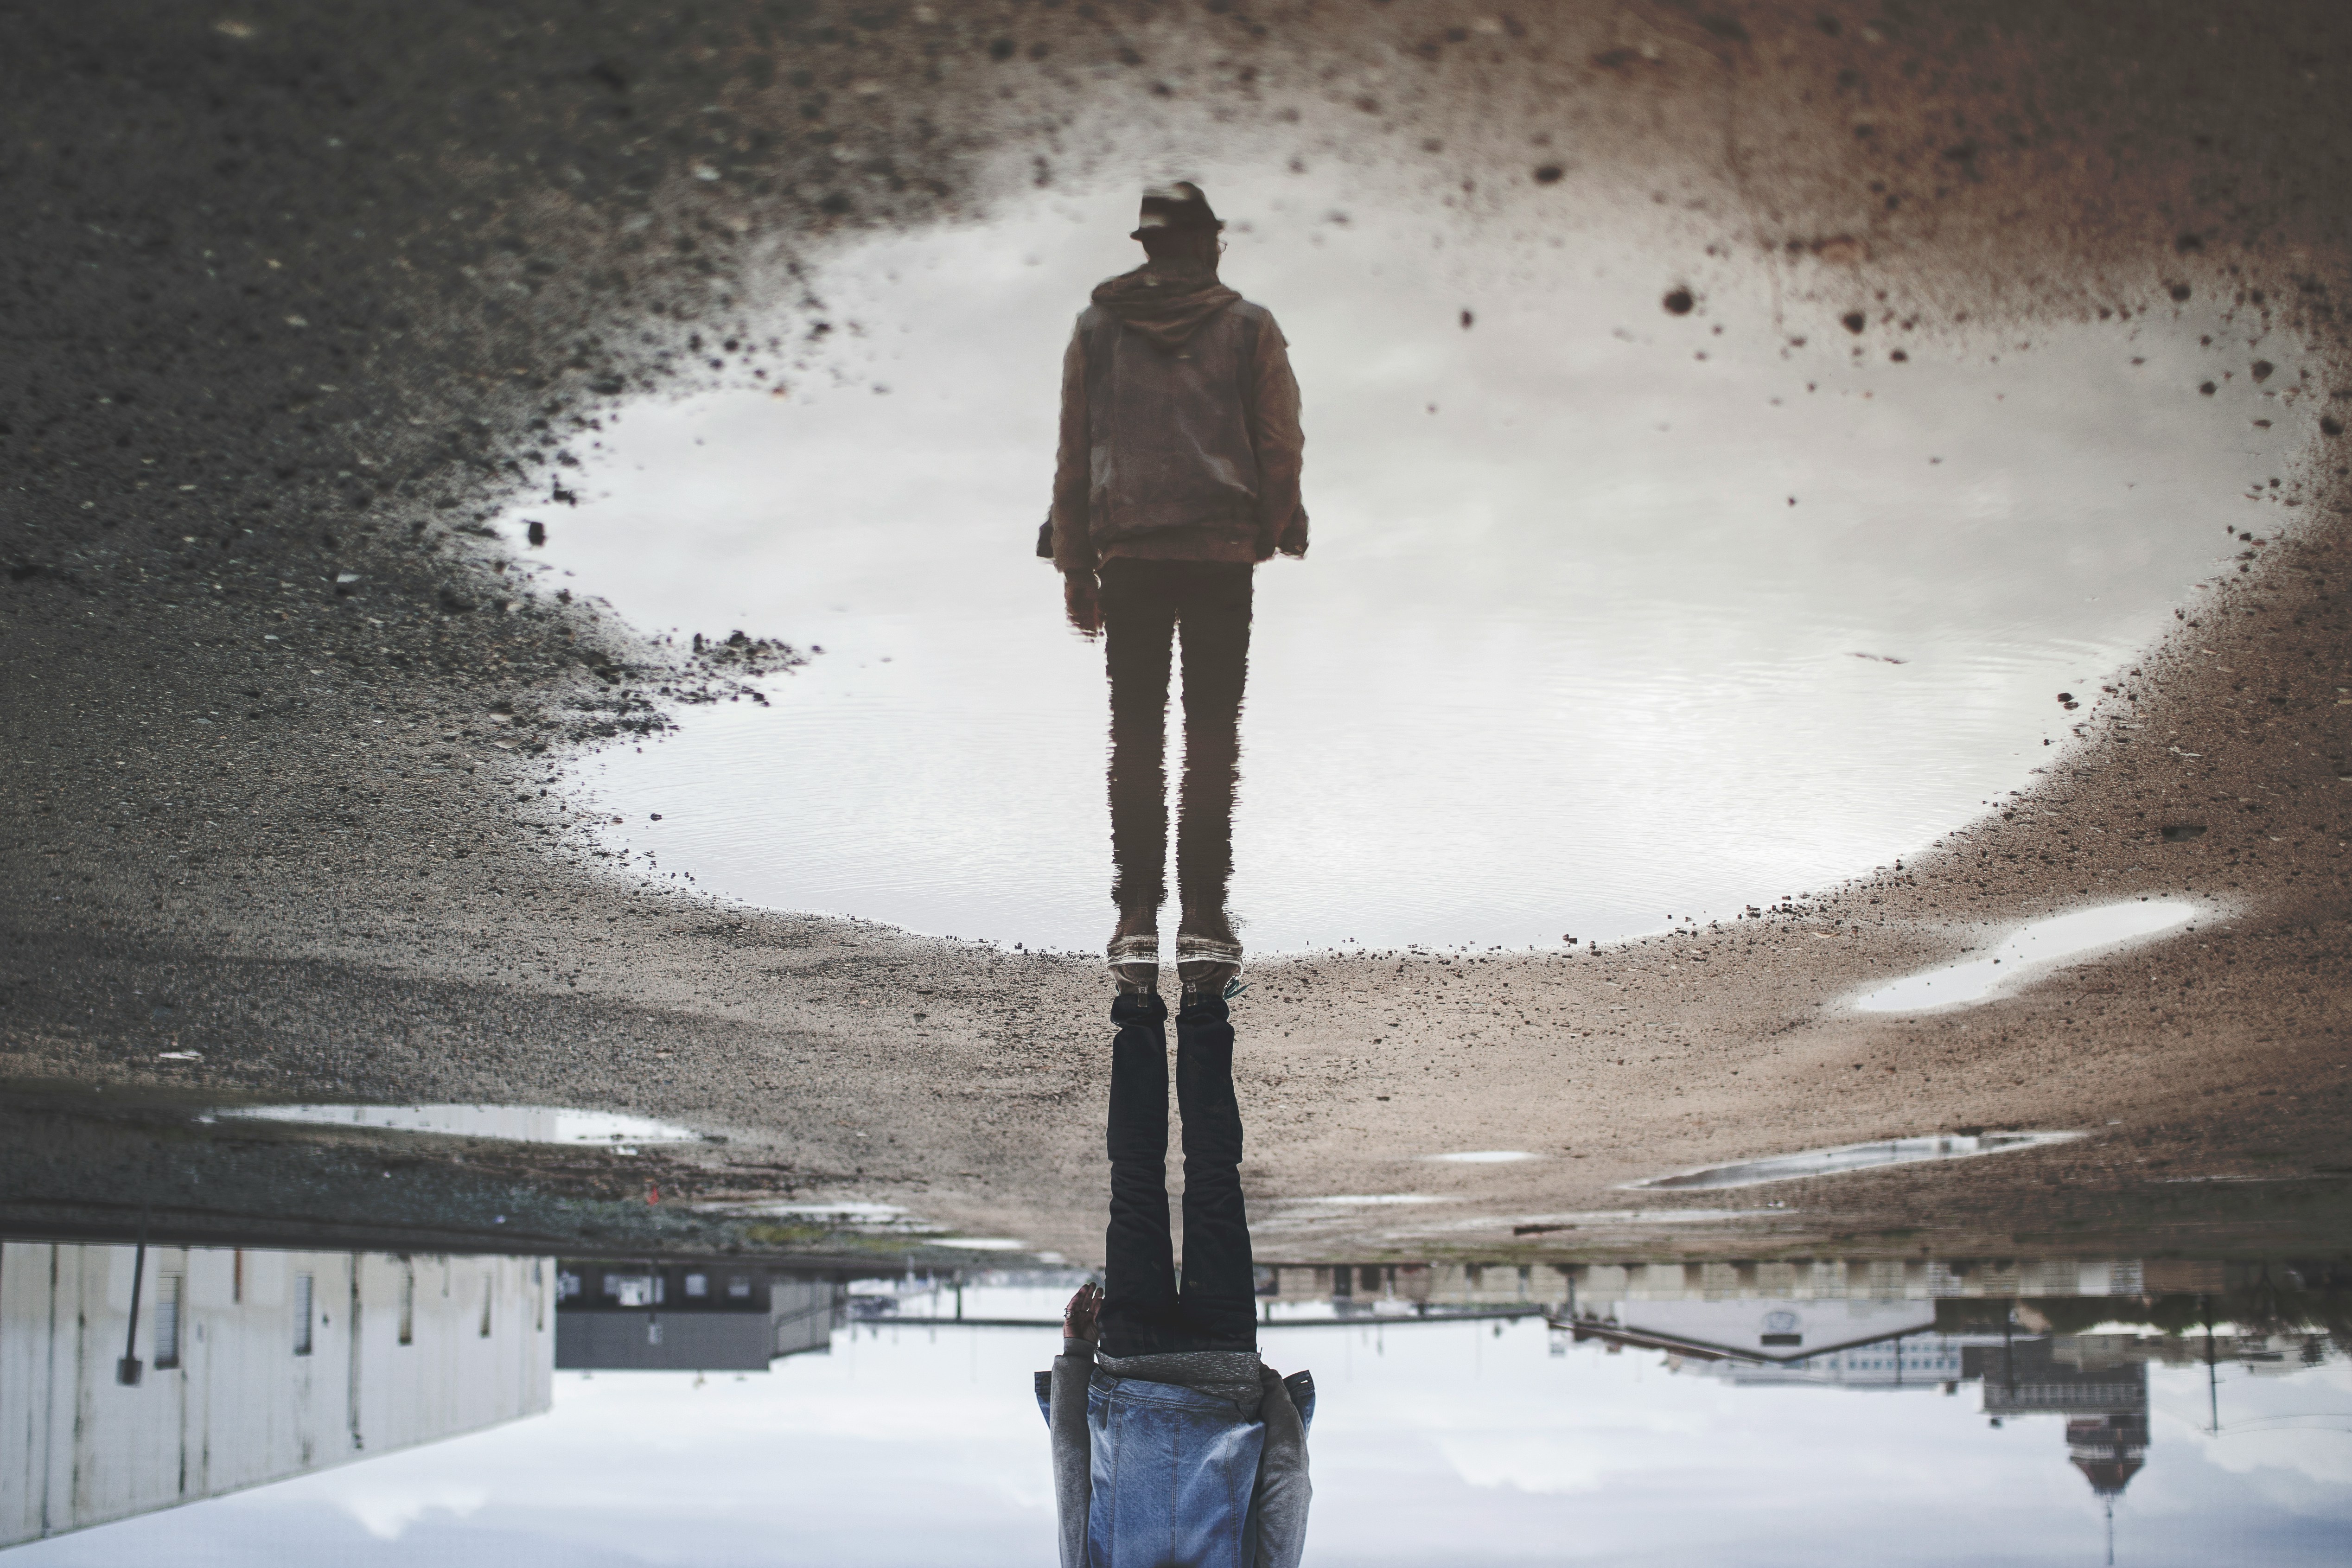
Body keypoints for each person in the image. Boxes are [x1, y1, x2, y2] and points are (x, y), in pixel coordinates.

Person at [1040, 180, 1308, 1003]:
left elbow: (1075, 450)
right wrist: (1274, 523)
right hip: (1220, 552)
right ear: (1206, 244)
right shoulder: (1248, 327)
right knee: (1210, 734)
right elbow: (1278, 438)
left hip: (1130, 553)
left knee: (1135, 732)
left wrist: (1076, 564)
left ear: (1149, 248)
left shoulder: (1096, 330)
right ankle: (1202, 919)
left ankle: (1133, 920)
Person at [1036, 981, 1313, 1568]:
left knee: (1215, 1178)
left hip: (1224, 1373)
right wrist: (1076, 1357)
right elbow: (1071, 1472)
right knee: (1134, 1182)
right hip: (1133, 1367)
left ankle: (1204, 997)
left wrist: (1267, 1393)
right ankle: (1137, 1001)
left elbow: (1286, 1479)